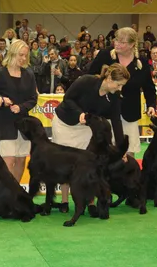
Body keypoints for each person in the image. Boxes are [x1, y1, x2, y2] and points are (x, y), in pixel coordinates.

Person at [53, 63, 130, 213]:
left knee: (87, 164)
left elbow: (116, 122)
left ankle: (90, 202)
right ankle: (63, 201)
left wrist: (122, 149)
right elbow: (67, 98)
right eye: (119, 84)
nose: (120, 89)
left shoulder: (114, 97)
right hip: (64, 122)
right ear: (109, 78)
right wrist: (79, 113)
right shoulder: (86, 81)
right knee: (66, 162)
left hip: (86, 128)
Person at [88, 27, 156, 157]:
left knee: (128, 154)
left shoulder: (142, 62)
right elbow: (91, 77)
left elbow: (149, 87)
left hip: (129, 114)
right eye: (116, 40)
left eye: (122, 42)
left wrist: (151, 105)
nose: (116, 44)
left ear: (131, 44)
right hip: (104, 112)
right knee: (102, 153)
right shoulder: (105, 55)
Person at [0, 40, 38, 182]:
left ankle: (14, 194)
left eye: (26, 56)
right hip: (4, 124)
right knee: (8, 161)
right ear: (12, 53)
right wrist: (0, 98)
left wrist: (21, 107)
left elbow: (33, 98)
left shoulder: (28, 74)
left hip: (23, 125)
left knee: (20, 161)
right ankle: (5, 196)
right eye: (21, 55)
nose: (24, 58)